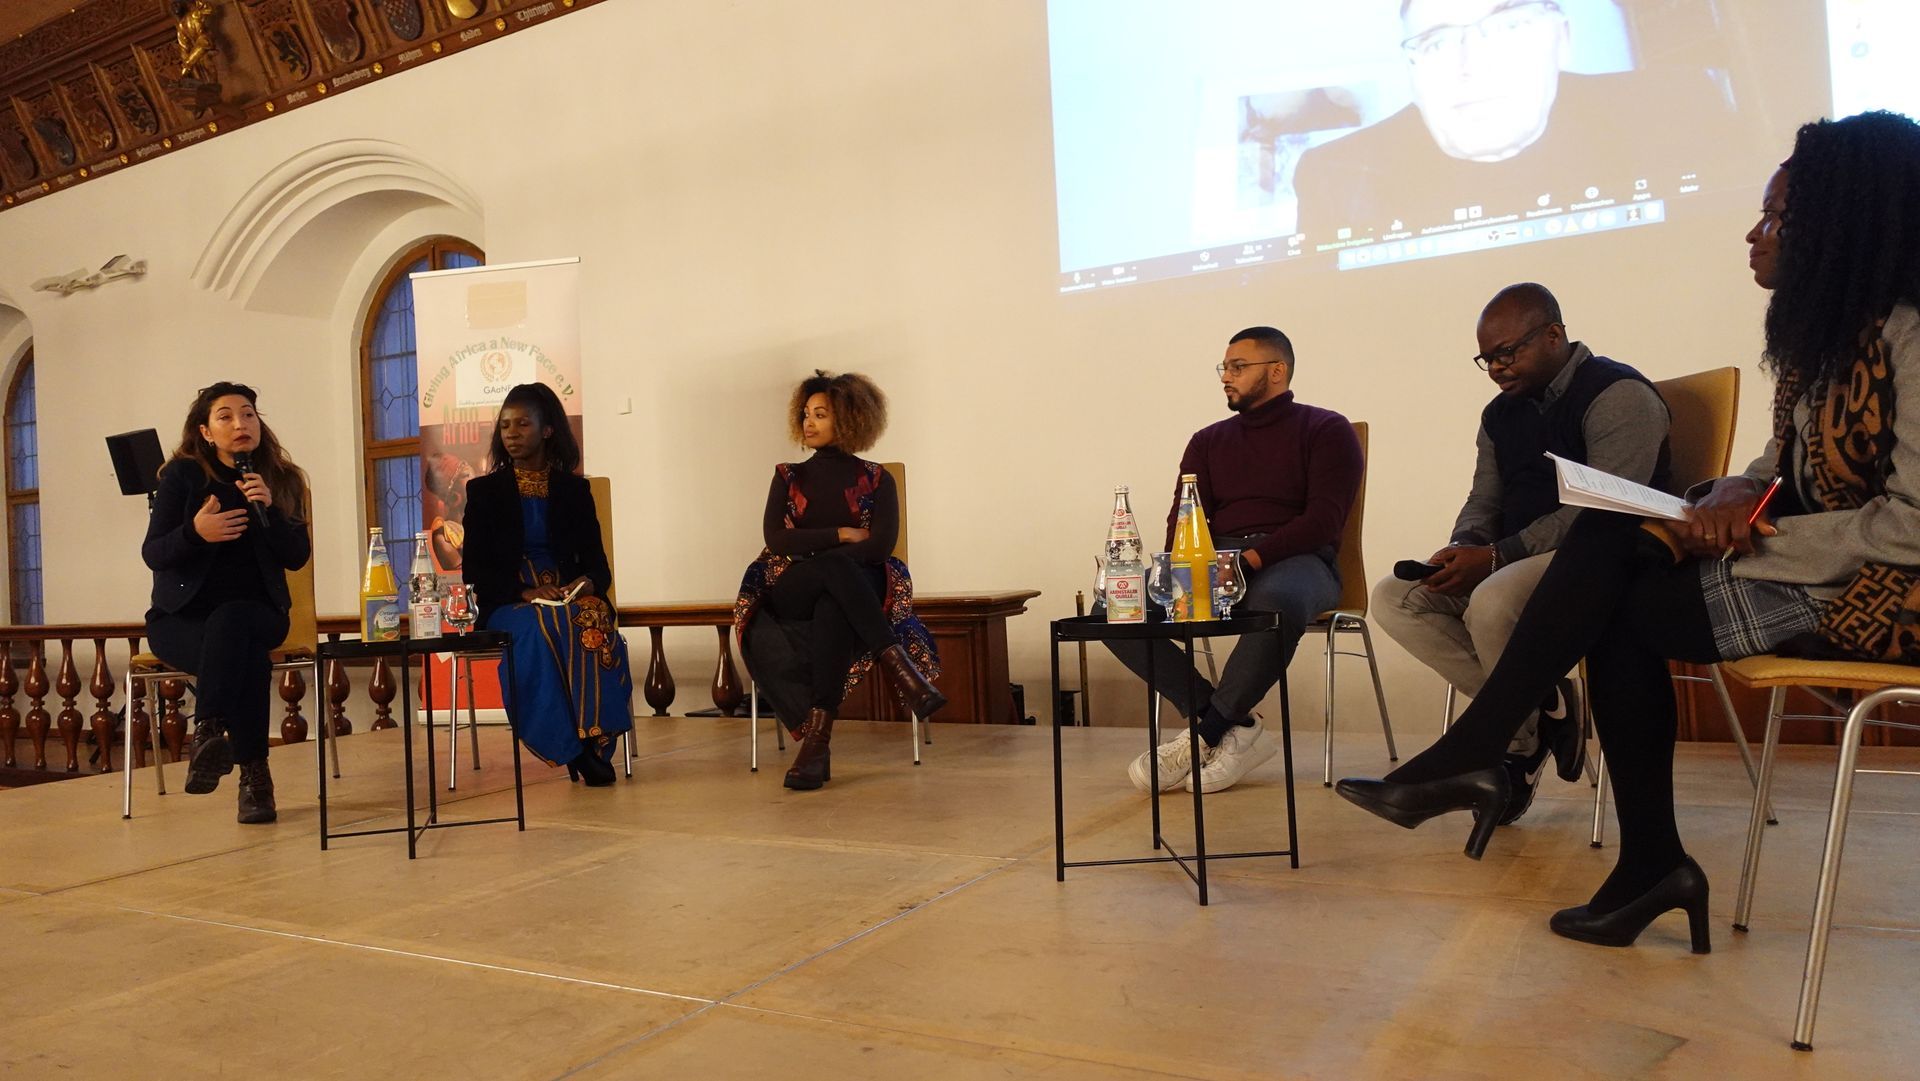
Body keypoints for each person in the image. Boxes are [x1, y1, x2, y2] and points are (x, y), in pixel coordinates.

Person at [1337, 111, 1920, 954]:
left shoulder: (1909, 330)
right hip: (1823, 566)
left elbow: (1910, 526)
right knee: (1615, 558)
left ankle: (1492, 757)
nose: (1754, 235)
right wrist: (1725, 496)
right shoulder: (1823, 343)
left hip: (1885, 594)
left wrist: (1749, 540)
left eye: (1777, 217)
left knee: (1609, 552)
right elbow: (1773, 467)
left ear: (1847, 221)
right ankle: (1633, 851)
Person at [1371, 282, 1671, 823]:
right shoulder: (1499, 414)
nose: (1497, 369)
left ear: (1554, 335)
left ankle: (1509, 745)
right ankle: (1538, 719)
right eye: (1487, 358)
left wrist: (1498, 557)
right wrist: (1465, 545)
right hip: (1513, 560)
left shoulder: (1617, 394)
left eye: (1508, 353)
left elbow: (1604, 510)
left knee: (1491, 599)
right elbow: (1484, 497)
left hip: (1600, 559)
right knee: (1396, 597)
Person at [1104, 327, 1363, 795]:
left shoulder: (1327, 429)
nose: (1227, 376)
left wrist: (1252, 559)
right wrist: (1174, 569)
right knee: (1117, 606)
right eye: (1224, 367)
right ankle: (1230, 724)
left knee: (1278, 602)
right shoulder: (1207, 440)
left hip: (1297, 559)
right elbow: (1184, 518)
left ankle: (1205, 735)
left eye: (1238, 367)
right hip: (1214, 556)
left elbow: (1324, 520)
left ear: (1277, 371)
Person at [1292, 0, 1743, 244]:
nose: (1470, 65)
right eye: (1435, 44)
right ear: (1411, 67)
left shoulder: (1674, 111)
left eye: (1505, 29)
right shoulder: (1337, 177)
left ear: (1561, 39)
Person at [732, 370, 944, 791]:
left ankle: (816, 745)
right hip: (792, 585)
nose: (809, 422)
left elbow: (881, 547)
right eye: (806, 414)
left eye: (821, 414)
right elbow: (777, 540)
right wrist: (840, 536)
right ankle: (900, 668)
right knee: (835, 572)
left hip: (852, 587)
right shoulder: (787, 475)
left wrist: (822, 553)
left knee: (835, 600)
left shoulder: (878, 479)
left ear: (848, 419)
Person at [142, 382, 312, 824]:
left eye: (249, 414)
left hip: (260, 613)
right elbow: (153, 553)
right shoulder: (182, 477)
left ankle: (208, 732)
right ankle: (255, 780)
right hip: (181, 619)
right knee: (249, 660)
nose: (241, 424)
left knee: (234, 620)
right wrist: (195, 534)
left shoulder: (280, 479)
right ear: (205, 430)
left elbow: (296, 555)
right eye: (226, 416)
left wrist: (270, 509)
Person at [461, 383, 634, 787]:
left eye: (523, 423)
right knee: (541, 626)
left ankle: (595, 738)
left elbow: (598, 566)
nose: (512, 433)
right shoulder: (484, 492)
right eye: (505, 425)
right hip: (508, 601)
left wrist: (584, 583)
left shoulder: (574, 490)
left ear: (547, 430)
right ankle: (570, 748)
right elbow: (475, 570)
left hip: (566, 598)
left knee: (589, 616)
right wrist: (526, 592)